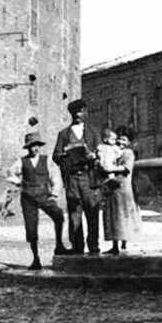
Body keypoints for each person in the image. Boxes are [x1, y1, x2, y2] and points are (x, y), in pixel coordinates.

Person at [7, 131, 70, 270]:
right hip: (28, 198)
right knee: (31, 228)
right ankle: (36, 259)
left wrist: (54, 194)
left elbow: (55, 178)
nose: (35, 148)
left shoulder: (46, 160)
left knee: (58, 215)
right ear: (27, 147)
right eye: (31, 146)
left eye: (37, 145)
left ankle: (59, 245)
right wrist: (19, 182)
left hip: (44, 195)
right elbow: (10, 173)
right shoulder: (21, 161)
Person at [52, 98, 103, 255]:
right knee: (75, 213)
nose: (78, 115)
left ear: (86, 113)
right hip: (73, 178)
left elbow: (101, 154)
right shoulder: (64, 134)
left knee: (92, 212)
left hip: (89, 178)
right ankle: (77, 246)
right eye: (74, 112)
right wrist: (66, 152)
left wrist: (93, 155)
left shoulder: (93, 132)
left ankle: (93, 246)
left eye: (81, 111)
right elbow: (56, 155)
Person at [102, 125, 142, 255]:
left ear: (129, 142)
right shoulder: (113, 151)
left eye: (124, 139)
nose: (120, 142)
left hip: (124, 189)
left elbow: (126, 168)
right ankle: (115, 245)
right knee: (114, 216)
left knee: (123, 216)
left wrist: (109, 169)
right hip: (113, 188)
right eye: (119, 139)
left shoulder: (128, 153)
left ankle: (123, 244)